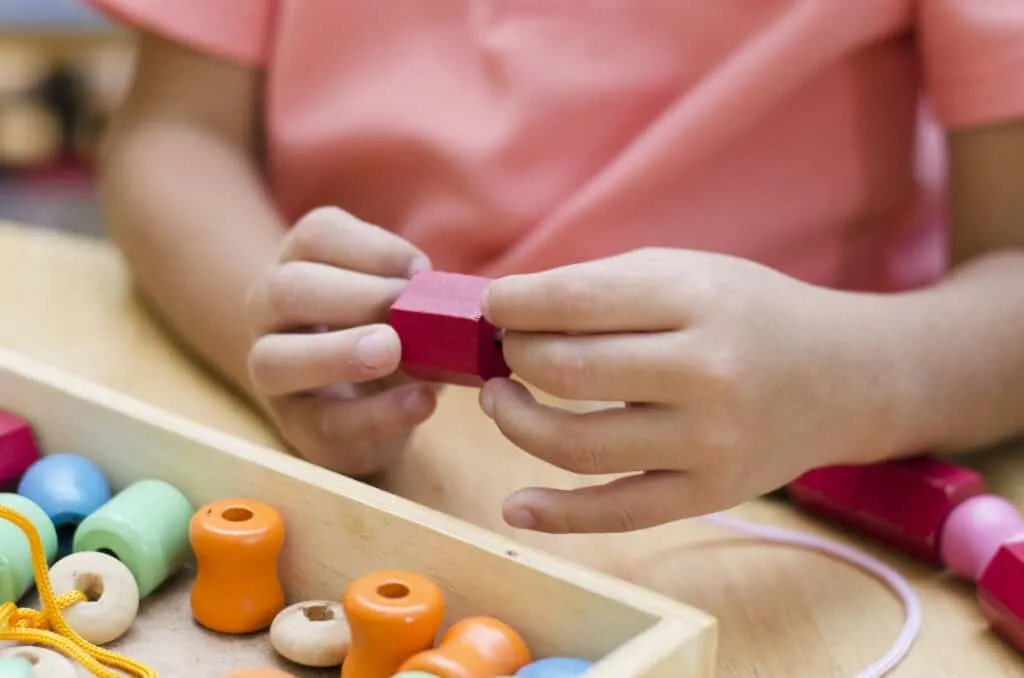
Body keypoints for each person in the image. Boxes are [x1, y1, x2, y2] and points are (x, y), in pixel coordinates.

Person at [88, 1, 1024, 535]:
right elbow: (172, 134)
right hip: (371, 465)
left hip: (788, 503)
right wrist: (271, 321)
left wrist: (852, 378)